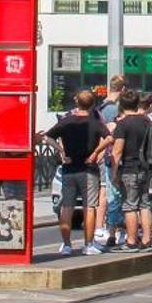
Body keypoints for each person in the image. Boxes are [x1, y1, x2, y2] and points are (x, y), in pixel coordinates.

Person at [35, 90, 109, 256]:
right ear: (92, 104)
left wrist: (62, 151)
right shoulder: (94, 122)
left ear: (77, 102)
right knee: (89, 207)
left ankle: (66, 245)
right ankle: (88, 244)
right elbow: (109, 138)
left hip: (69, 169)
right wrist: (96, 153)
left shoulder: (66, 121)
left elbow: (47, 137)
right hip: (88, 169)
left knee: (67, 206)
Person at [108, 90, 152, 251]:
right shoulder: (147, 121)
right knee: (145, 204)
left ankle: (131, 241)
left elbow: (117, 151)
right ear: (137, 104)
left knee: (130, 206)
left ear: (121, 105)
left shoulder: (123, 124)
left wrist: (114, 173)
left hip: (129, 169)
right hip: (145, 168)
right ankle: (147, 239)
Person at [96, 76, 127, 248]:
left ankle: (101, 227)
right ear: (122, 89)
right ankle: (115, 230)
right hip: (113, 155)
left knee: (104, 191)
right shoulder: (115, 109)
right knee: (114, 194)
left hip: (102, 153)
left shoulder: (101, 106)